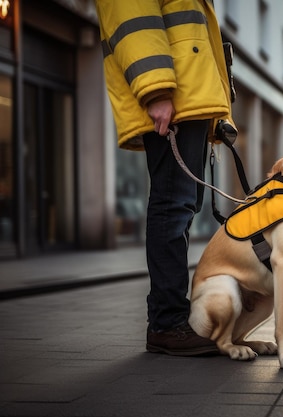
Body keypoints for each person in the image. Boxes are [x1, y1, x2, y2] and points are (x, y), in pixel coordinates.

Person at [95, 0, 235, 356]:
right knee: (173, 204)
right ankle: (166, 323)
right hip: (173, 95)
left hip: (189, 98)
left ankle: (172, 317)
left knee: (183, 204)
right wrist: (156, 89)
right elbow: (132, 18)